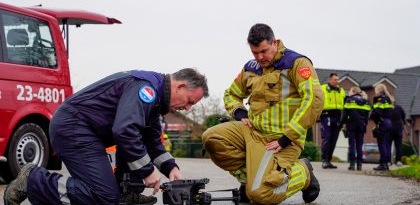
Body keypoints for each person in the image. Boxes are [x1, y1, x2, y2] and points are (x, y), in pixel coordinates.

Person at [4, 68, 208, 205]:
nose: (188, 108)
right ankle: (34, 181)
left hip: (85, 130)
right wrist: (147, 171)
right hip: (73, 128)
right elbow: (124, 130)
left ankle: (124, 193)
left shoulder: (155, 101)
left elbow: (152, 140)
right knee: (103, 197)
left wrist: (171, 168)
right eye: (190, 101)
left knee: (134, 147)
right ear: (180, 86)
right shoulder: (145, 89)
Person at [202, 23, 324, 204]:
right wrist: (239, 112)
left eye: (264, 51)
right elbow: (231, 93)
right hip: (252, 133)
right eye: (255, 52)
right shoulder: (251, 67)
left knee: (261, 196)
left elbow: (314, 99)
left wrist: (286, 138)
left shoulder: (296, 63)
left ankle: (303, 172)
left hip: (281, 141)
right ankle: (249, 181)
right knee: (211, 138)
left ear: (274, 42)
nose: (260, 57)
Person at [340, 86, 371, 171]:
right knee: (359, 145)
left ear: (353, 91)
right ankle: (359, 165)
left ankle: (352, 164)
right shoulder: (365, 101)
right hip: (361, 125)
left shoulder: (349, 100)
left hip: (351, 125)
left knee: (352, 145)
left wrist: (341, 124)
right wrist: (365, 124)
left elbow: (344, 115)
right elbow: (367, 116)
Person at [320, 73, 346, 169]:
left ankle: (329, 160)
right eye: (335, 79)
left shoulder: (341, 90)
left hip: (337, 117)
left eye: (337, 79)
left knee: (333, 140)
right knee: (327, 138)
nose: (337, 81)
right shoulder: (322, 88)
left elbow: (344, 104)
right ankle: (324, 160)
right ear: (329, 79)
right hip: (326, 116)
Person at [371, 83, 394, 171]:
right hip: (389, 123)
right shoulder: (389, 99)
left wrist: (376, 120)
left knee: (382, 144)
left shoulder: (380, 99)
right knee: (386, 144)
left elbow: (377, 113)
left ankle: (383, 164)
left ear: (378, 90)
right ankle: (386, 163)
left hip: (382, 123)